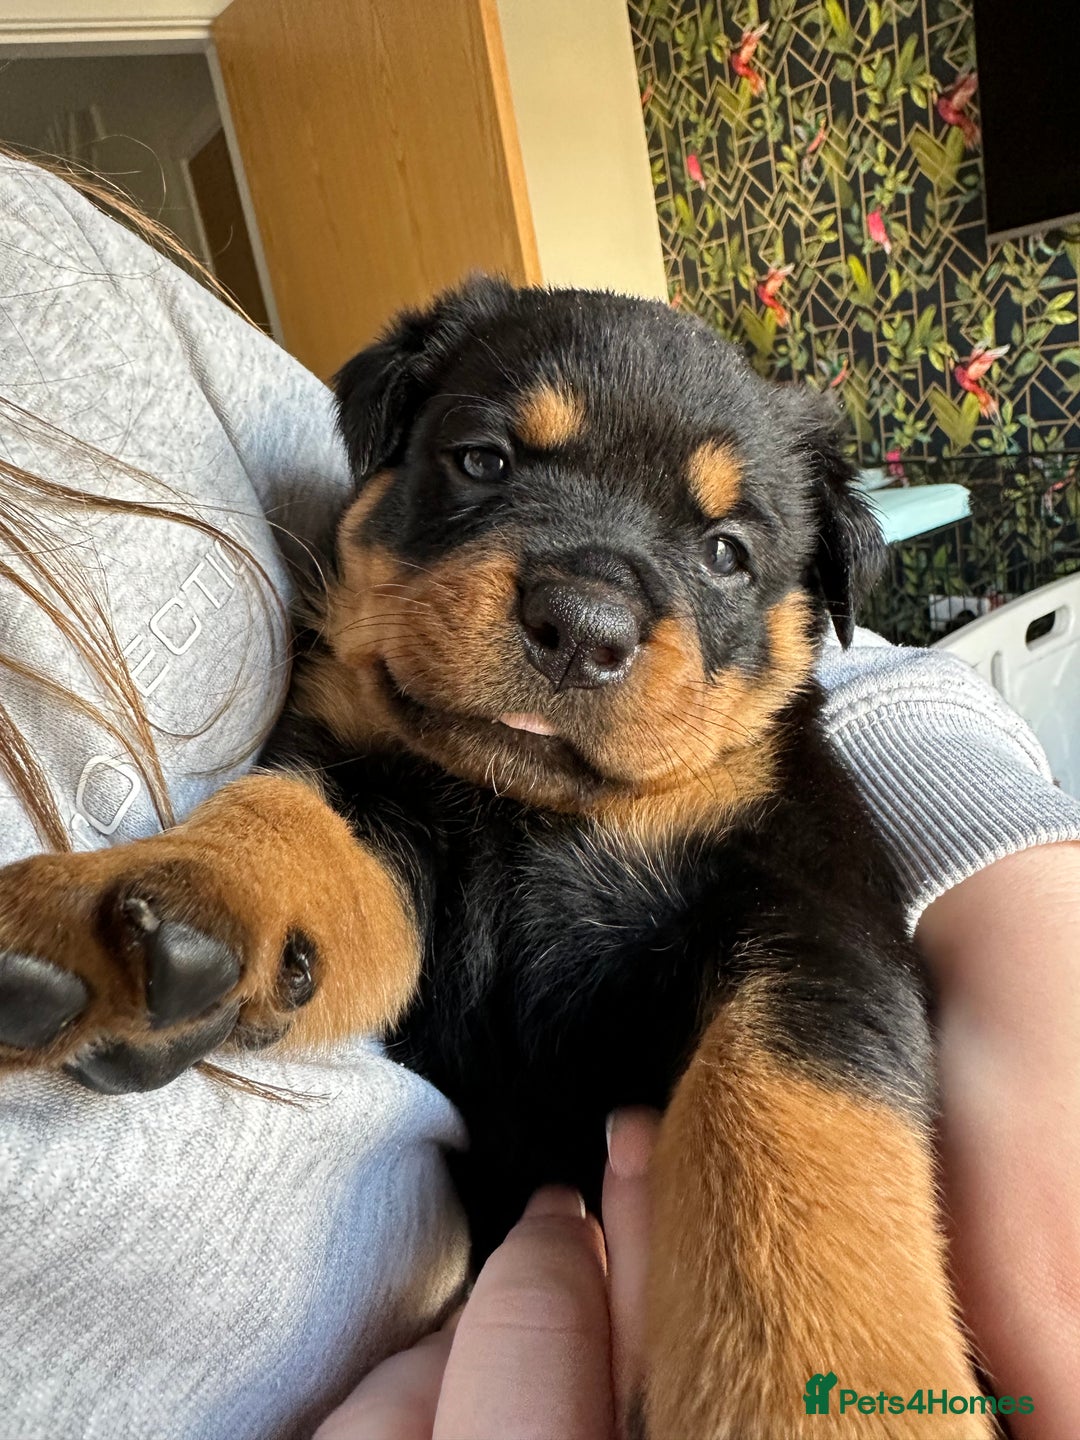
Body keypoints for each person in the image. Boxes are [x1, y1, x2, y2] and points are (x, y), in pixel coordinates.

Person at [1, 150, 1078, 1440]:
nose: (587, 612)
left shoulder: (751, 779)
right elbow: (370, 881)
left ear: (804, 624)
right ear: (377, 465)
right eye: (490, 465)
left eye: (725, 552)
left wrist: (1021, 889)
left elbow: (822, 975)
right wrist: (236, 883)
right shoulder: (365, 715)